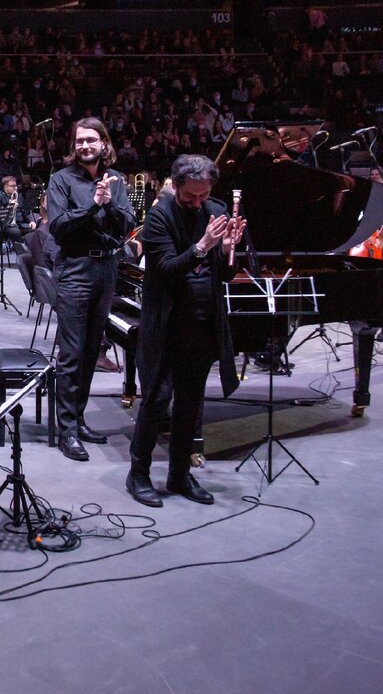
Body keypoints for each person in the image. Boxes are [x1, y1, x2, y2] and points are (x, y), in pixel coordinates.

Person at [127, 154, 245, 508]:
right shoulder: (160, 215)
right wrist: (203, 246)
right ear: (175, 186)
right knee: (156, 401)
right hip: (166, 324)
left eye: (202, 196)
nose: (197, 203)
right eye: (190, 197)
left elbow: (222, 276)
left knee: (190, 404)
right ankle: (139, 474)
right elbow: (164, 269)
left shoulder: (216, 208)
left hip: (202, 322)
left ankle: (179, 475)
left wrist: (227, 251)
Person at [46, 118, 137, 461]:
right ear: (74, 146)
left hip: (106, 269)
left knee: (91, 351)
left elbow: (127, 224)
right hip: (75, 268)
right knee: (71, 353)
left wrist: (110, 202)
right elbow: (58, 227)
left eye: (92, 140)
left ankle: (79, 419)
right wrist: (94, 206)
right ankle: (67, 430)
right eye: (80, 140)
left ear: (103, 144)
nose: (85, 146)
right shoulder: (61, 180)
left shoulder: (117, 181)